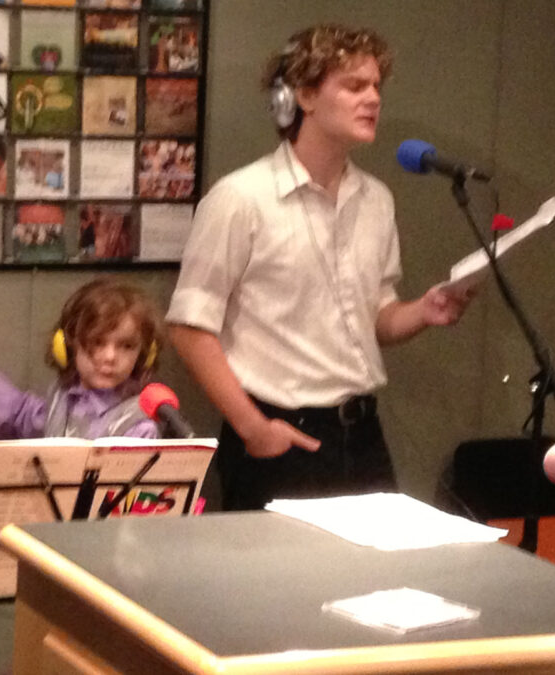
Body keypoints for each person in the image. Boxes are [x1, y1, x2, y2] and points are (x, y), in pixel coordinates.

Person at [165, 24, 474, 511]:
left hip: (363, 434)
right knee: (277, 585)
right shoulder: (241, 198)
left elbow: (377, 317)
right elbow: (189, 327)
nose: (372, 99)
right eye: (354, 86)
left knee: (374, 582)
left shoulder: (376, 199)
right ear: (305, 96)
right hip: (281, 435)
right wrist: (253, 428)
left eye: (376, 87)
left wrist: (423, 311)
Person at [0, 278, 163, 439]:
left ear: (144, 354)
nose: (110, 356)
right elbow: (26, 412)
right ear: (67, 346)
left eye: (126, 346)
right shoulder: (63, 399)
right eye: (97, 342)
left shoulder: (139, 425)